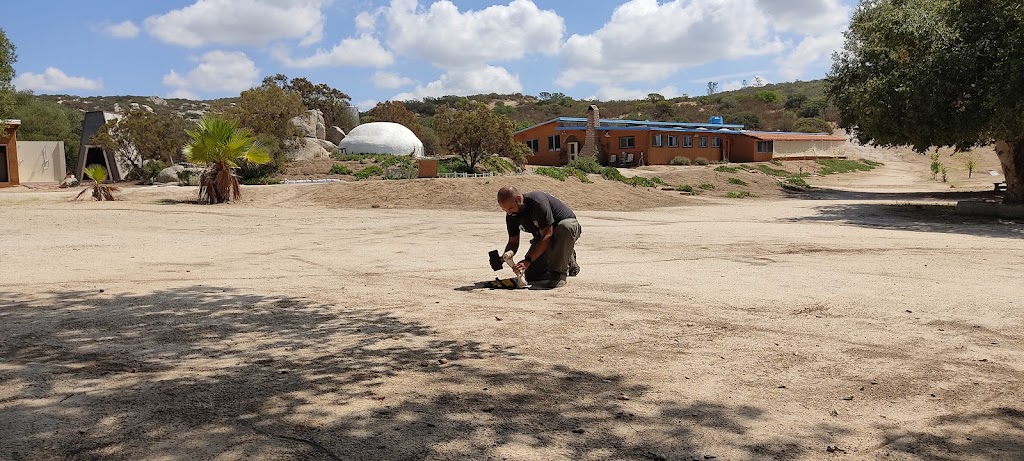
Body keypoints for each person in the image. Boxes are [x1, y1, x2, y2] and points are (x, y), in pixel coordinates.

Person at [497, 186, 581, 289]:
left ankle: (559, 273)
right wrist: (504, 258)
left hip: (565, 231)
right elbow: (513, 243)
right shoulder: (511, 216)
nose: (509, 213)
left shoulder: (537, 202)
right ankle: (566, 259)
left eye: (510, 208)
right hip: (542, 236)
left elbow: (547, 235)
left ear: (518, 199)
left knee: (564, 227)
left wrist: (528, 260)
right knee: (533, 275)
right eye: (505, 210)